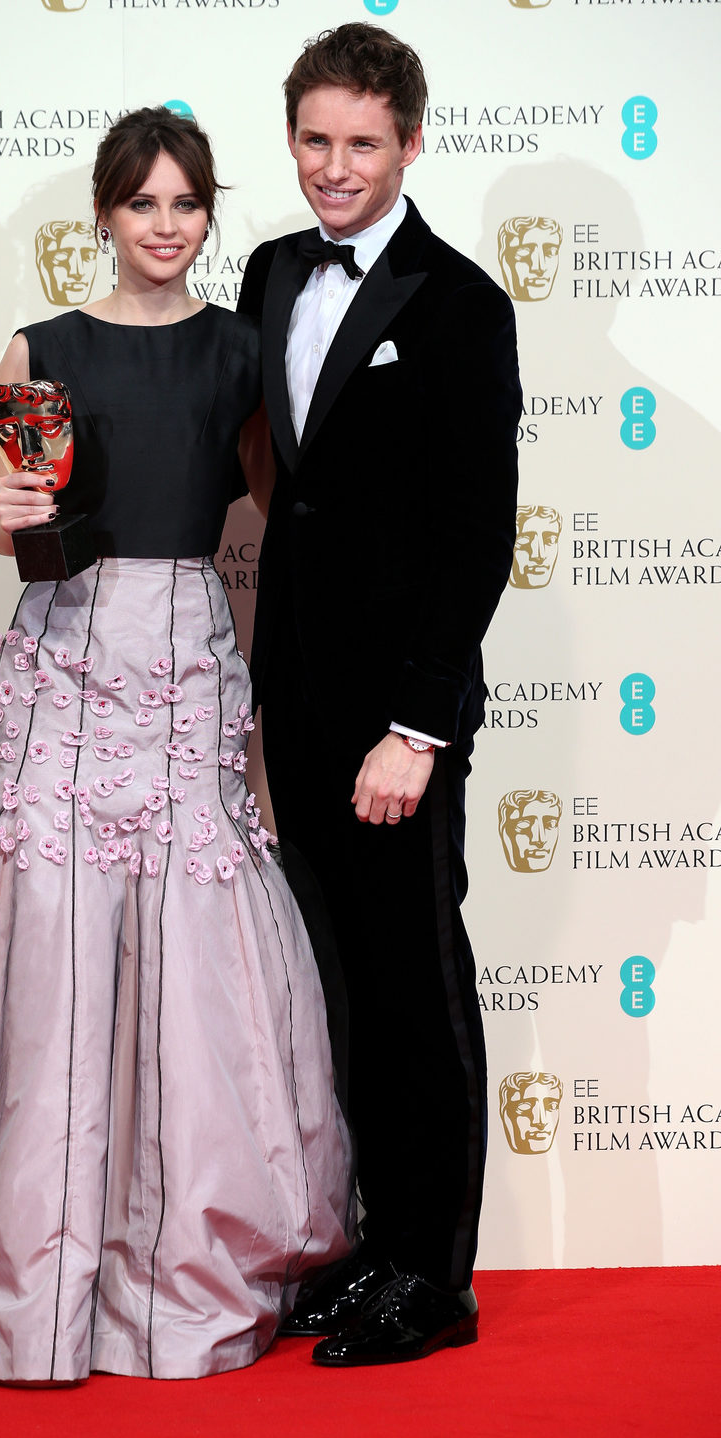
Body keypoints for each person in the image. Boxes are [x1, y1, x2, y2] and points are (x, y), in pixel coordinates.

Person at [0, 106, 352, 1386]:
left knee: (194, 949)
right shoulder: (38, 348)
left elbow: (286, 513)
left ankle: (174, 1261)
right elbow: (8, 532)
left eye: (186, 205)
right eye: (142, 204)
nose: (165, 227)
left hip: (185, 662)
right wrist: (0, 513)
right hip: (66, 653)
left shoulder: (240, 351)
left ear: (209, 214)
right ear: (102, 215)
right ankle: (21, 1271)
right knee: (46, 928)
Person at [237, 24, 522, 1365]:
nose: (334, 169)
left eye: (362, 144)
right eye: (314, 141)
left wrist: (418, 728)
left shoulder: (462, 304)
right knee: (336, 986)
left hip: (394, 724)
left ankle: (437, 1279)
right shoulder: (270, 269)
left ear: (413, 142)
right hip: (291, 696)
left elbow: (475, 536)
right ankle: (369, 1247)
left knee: (416, 981)